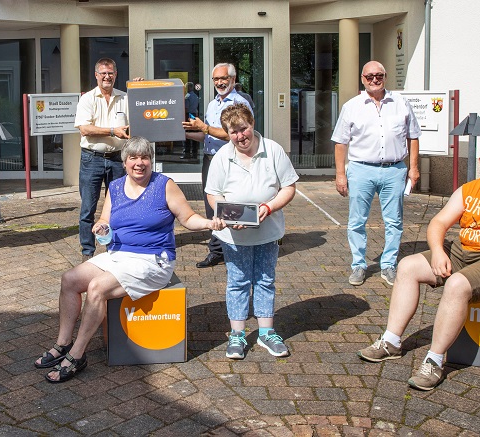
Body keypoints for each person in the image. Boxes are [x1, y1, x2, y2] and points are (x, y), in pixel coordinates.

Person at [357, 136, 480, 390]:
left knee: (457, 284)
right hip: (464, 252)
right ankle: (391, 341)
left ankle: (434, 360)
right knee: (407, 266)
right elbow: (438, 223)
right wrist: (438, 251)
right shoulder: (469, 190)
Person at [35, 136, 225, 382]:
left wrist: (210, 223)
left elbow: (188, 218)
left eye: (145, 157)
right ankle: (62, 343)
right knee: (69, 279)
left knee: (96, 287)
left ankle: (77, 354)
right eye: (133, 157)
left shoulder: (164, 185)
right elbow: (105, 219)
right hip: (118, 254)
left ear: (151, 160)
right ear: (124, 162)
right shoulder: (115, 186)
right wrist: (101, 228)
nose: (139, 163)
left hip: (153, 260)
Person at [204, 103, 298, 359]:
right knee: (238, 281)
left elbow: (289, 187)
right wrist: (226, 214)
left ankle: (267, 332)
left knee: (265, 279)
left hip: (268, 231)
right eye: (233, 132)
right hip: (233, 234)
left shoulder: (273, 150)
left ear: (252, 124)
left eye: (243, 129)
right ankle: (237, 335)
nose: (240, 136)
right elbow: (213, 193)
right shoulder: (223, 156)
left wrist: (269, 206)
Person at [331, 61, 421, 287]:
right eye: (369, 76)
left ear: (385, 76)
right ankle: (358, 265)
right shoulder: (352, 106)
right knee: (357, 221)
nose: (374, 80)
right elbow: (341, 142)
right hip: (361, 169)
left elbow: (413, 136)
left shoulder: (401, 103)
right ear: (362, 78)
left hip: (394, 170)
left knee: (394, 221)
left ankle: (389, 264)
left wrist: (414, 167)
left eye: (378, 75)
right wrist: (340, 174)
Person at [182, 63, 252, 269]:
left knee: (233, 203)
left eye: (224, 78)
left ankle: (238, 246)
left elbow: (234, 133)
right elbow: (207, 135)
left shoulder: (240, 102)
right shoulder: (213, 104)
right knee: (211, 205)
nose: (220, 83)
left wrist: (203, 127)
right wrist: (183, 133)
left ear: (233, 78)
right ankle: (217, 250)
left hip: (232, 160)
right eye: (216, 79)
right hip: (210, 159)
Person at [74, 57, 130, 261]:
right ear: (96, 75)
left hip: (117, 159)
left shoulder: (125, 98)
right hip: (92, 159)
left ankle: (114, 249)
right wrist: (113, 131)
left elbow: (138, 121)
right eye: (103, 73)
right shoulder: (87, 99)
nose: (107, 76)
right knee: (88, 208)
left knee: (117, 207)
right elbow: (85, 129)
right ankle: (87, 252)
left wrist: (141, 90)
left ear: (116, 75)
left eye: (111, 73)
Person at [180, 81, 200, 160]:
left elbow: (186, 108)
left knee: (187, 135)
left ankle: (186, 153)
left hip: (188, 115)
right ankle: (195, 153)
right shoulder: (195, 96)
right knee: (195, 135)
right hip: (194, 115)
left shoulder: (187, 96)